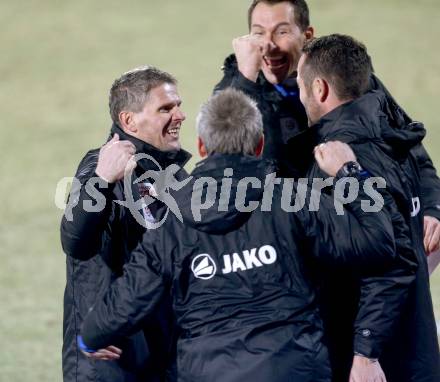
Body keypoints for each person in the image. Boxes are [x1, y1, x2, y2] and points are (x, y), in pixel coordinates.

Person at [78, 88, 412, 382]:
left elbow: (121, 305)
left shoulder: (174, 220)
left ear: (202, 147)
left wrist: (89, 337)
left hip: (208, 371)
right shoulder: (295, 200)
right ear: (260, 144)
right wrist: (349, 173)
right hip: (294, 366)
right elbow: (379, 242)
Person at [214, 0, 440, 256]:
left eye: (282, 31)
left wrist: (433, 206)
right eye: (258, 32)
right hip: (287, 245)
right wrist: (245, 79)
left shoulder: (347, 79)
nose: (268, 45)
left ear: (307, 35)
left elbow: (408, 145)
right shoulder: (236, 91)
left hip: (360, 230)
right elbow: (223, 172)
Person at [295, 33, 440, 382]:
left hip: (376, 365)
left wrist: (364, 351)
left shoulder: (337, 162)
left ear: (320, 89)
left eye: (300, 85)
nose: (299, 95)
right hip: (416, 351)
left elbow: (389, 261)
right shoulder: (398, 144)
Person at [60, 66, 191, 382]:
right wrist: (102, 180)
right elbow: (76, 241)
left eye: (178, 105)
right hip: (112, 358)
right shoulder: (99, 167)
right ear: (129, 121)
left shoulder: (172, 176)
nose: (180, 115)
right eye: (166, 108)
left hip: (165, 352)